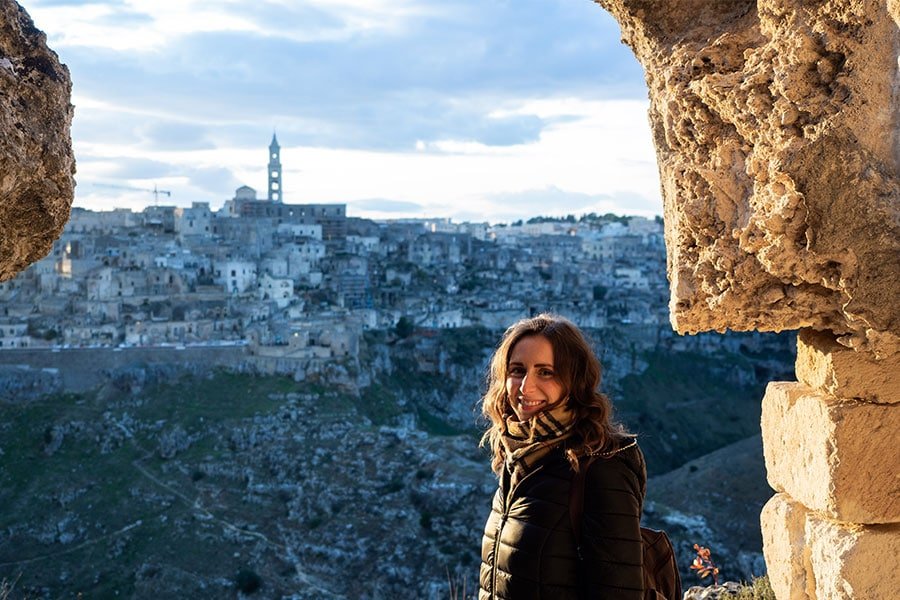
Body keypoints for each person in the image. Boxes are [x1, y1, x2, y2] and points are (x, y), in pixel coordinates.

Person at [478, 314, 646, 599]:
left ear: (575, 380)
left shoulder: (599, 467)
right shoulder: (518, 457)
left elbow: (620, 591)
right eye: (517, 370)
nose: (525, 387)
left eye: (545, 372)